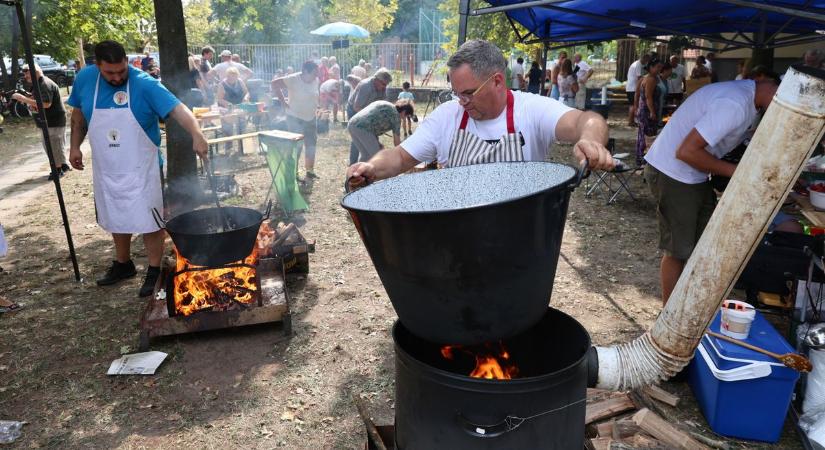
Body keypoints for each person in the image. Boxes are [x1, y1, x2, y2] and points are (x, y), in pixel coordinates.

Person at [345, 39, 613, 187]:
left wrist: (589, 138)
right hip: (458, 234)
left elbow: (586, 119)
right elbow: (400, 157)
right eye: (456, 93)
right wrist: (371, 167)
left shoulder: (530, 109)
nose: (461, 101)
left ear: (497, 81)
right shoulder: (447, 116)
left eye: (469, 93)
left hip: (520, 237)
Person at [67, 40, 208, 297]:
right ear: (97, 65)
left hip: (143, 167)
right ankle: (124, 264)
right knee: (114, 213)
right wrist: (74, 146)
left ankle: (154, 270)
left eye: (121, 71)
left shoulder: (144, 83)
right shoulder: (86, 79)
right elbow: (78, 114)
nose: (117, 77)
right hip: (107, 165)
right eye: (110, 73)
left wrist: (197, 133)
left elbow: (178, 109)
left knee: (150, 219)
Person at [643, 77, 779, 305]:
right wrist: (738, 172)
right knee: (678, 250)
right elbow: (686, 152)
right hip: (673, 173)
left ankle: (688, 307)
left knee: (702, 246)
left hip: (692, 176)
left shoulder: (748, 100)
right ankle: (668, 317)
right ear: (772, 86)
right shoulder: (735, 103)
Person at [11, 64, 70, 180]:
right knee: (53, 145)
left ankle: (57, 170)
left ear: (36, 71)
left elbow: (46, 104)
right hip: (48, 121)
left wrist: (23, 99)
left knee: (53, 145)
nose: (25, 76)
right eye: (25, 73)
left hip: (53, 120)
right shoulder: (37, 84)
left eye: (27, 73)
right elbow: (37, 100)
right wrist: (28, 98)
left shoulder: (44, 84)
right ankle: (63, 166)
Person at [271, 60, 320, 178]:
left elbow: (313, 96)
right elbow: (274, 84)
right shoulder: (293, 79)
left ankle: (310, 170)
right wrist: (283, 101)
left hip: (311, 117)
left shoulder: (316, 80)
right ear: (305, 71)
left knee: (311, 144)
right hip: (295, 117)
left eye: (316, 73)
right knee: (296, 146)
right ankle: (293, 172)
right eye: (314, 73)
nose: (316, 76)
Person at [346, 68, 392, 164]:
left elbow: (382, 103)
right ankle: (353, 163)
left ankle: (369, 160)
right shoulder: (365, 86)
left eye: (386, 85)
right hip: (354, 110)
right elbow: (356, 107)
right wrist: (369, 119)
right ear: (376, 80)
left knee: (371, 134)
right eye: (383, 84)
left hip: (368, 111)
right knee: (358, 134)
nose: (385, 87)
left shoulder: (382, 88)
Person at [634, 59, 666, 164]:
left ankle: (642, 158)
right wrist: (652, 112)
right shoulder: (651, 79)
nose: (659, 69)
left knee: (644, 133)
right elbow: (648, 97)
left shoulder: (645, 78)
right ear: (651, 67)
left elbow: (637, 94)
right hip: (648, 111)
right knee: (649, 135)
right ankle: (647, 159)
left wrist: (636, 107)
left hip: (643, 109)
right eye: (657, 67)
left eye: (661, 67)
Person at [216, 67, 249, 152]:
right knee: (228, 129)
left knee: (241, 126)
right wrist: (227, 103)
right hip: (226, 109)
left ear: (237, 76)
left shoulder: (240, 81)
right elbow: (219, 99)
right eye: (230, 77)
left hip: (239, 107)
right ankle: (228, 149)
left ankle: (242, 148)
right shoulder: (222, 84)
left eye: (234, 76)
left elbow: (247, 93)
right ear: (227, 76)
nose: (232, 79)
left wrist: (245, 98)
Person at [626, 53, 650, 126]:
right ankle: (631, 121)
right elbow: (639, 77)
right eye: (647, 60)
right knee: (633, 105)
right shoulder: (638, 65)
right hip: (633, 88)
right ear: (645, 58)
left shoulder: (638, 64)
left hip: (632, 87)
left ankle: (632, 121)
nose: (647, 62)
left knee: (633, 104)